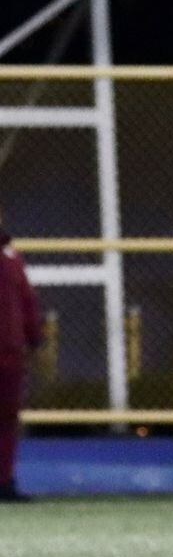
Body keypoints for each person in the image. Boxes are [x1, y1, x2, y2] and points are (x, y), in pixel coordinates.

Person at [0, 207, 44, 501]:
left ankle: (3, 481)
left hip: (8, 353)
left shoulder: (11, 258)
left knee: (6, 419)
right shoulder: (10, 259)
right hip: (9, 351)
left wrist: (34, 337)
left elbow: (27, 301)